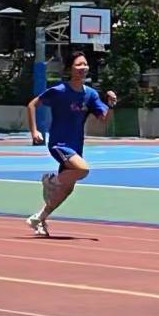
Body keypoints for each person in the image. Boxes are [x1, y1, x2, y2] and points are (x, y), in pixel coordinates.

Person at [25, 50, 118, 237]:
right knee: (82, 170)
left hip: (76, 146)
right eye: (78, 65)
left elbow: (104, 119)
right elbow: (32, 104)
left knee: (66, 190)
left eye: (85, 64)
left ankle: (39, 218)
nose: (83, 68)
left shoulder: (90, 95)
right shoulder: (59, 91)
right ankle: (50, 180)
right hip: (59, 143)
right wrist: (35, 131)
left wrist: (112, 104)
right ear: (69, 69)